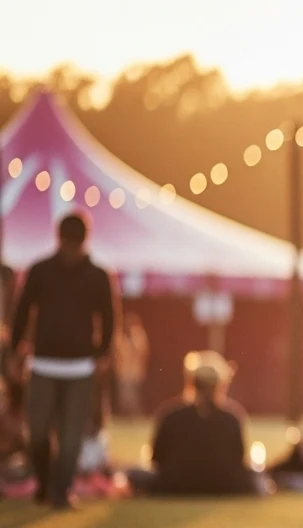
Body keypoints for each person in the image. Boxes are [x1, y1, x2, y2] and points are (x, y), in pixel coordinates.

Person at [9, 213, 117, 509]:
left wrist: (102, 354)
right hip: (43, 364)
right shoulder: (41, 271)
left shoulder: (98, 275)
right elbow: (22, 311)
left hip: (81, 367)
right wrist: (15, 350)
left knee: (71, 437)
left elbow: (109, 318)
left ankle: (62, 491)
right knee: (37, 432)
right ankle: (45, 484)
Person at [128, 351, 255, 497]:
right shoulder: (232, 418)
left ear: (191, 382)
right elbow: (239, 459)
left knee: (134, 473)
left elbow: (157, 459)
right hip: (226, 486)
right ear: (221, 384)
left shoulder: (171, 415)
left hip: (173, 486)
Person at [113, 313, 149, 416]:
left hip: (135, 372)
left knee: (133, 397)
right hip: (124, 373)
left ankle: (135, 415)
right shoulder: (121, 337)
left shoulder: (138, 336)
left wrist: (135, 334)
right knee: (124, 397)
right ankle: (127, 416)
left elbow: (142, 351)